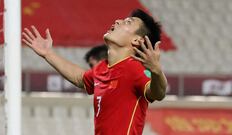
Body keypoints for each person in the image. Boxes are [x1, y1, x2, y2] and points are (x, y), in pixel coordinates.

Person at [22, 9, 167, 135]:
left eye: (128, 22)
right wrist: (48, 54)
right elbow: (80, 78)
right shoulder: (102, 68)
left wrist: (157, 71)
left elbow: (157, 93)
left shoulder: (135, 68)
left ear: (137, 40)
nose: (117, 21)